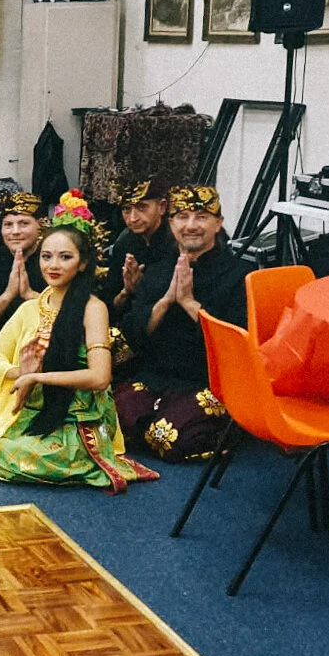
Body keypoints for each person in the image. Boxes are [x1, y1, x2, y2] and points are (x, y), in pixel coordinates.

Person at [0, 194, 159, 492]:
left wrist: (38, 375)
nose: (53, 265)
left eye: (65, 257)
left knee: (36, 458)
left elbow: (100, 377)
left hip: (80, 414)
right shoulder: (31, 308)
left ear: (83, 263)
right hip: (34, 408)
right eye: (47, 256)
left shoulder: (92, 307)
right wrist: (18, 371)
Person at [116, 184, 252, 462]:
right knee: (111, 418)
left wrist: (190, 304)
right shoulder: (157, 270)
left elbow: (239, 345)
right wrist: (165, 302)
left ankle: (228, 427)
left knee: (167, 438)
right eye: (183, 217)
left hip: (208, 381)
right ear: (171, 223)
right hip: (157, 376)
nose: (191, 226)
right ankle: (160, 417)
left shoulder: (241, 275)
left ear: (218, 224)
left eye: (201, 217)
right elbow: (133, 333)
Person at [0, 191, 47, 348]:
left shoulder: (52, 261)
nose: (15, 231)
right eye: (8, 225)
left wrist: (30, 295)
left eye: (24, 223)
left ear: (41, 224)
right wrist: (8, 295)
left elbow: (66, 312)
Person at [101, 179, 176, 322]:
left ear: (162, 207)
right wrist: (127, 291)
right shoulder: (124, 243)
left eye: (142, 207)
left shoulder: (178, 241)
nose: (133, 218)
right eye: (126, 209)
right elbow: (109, 308)